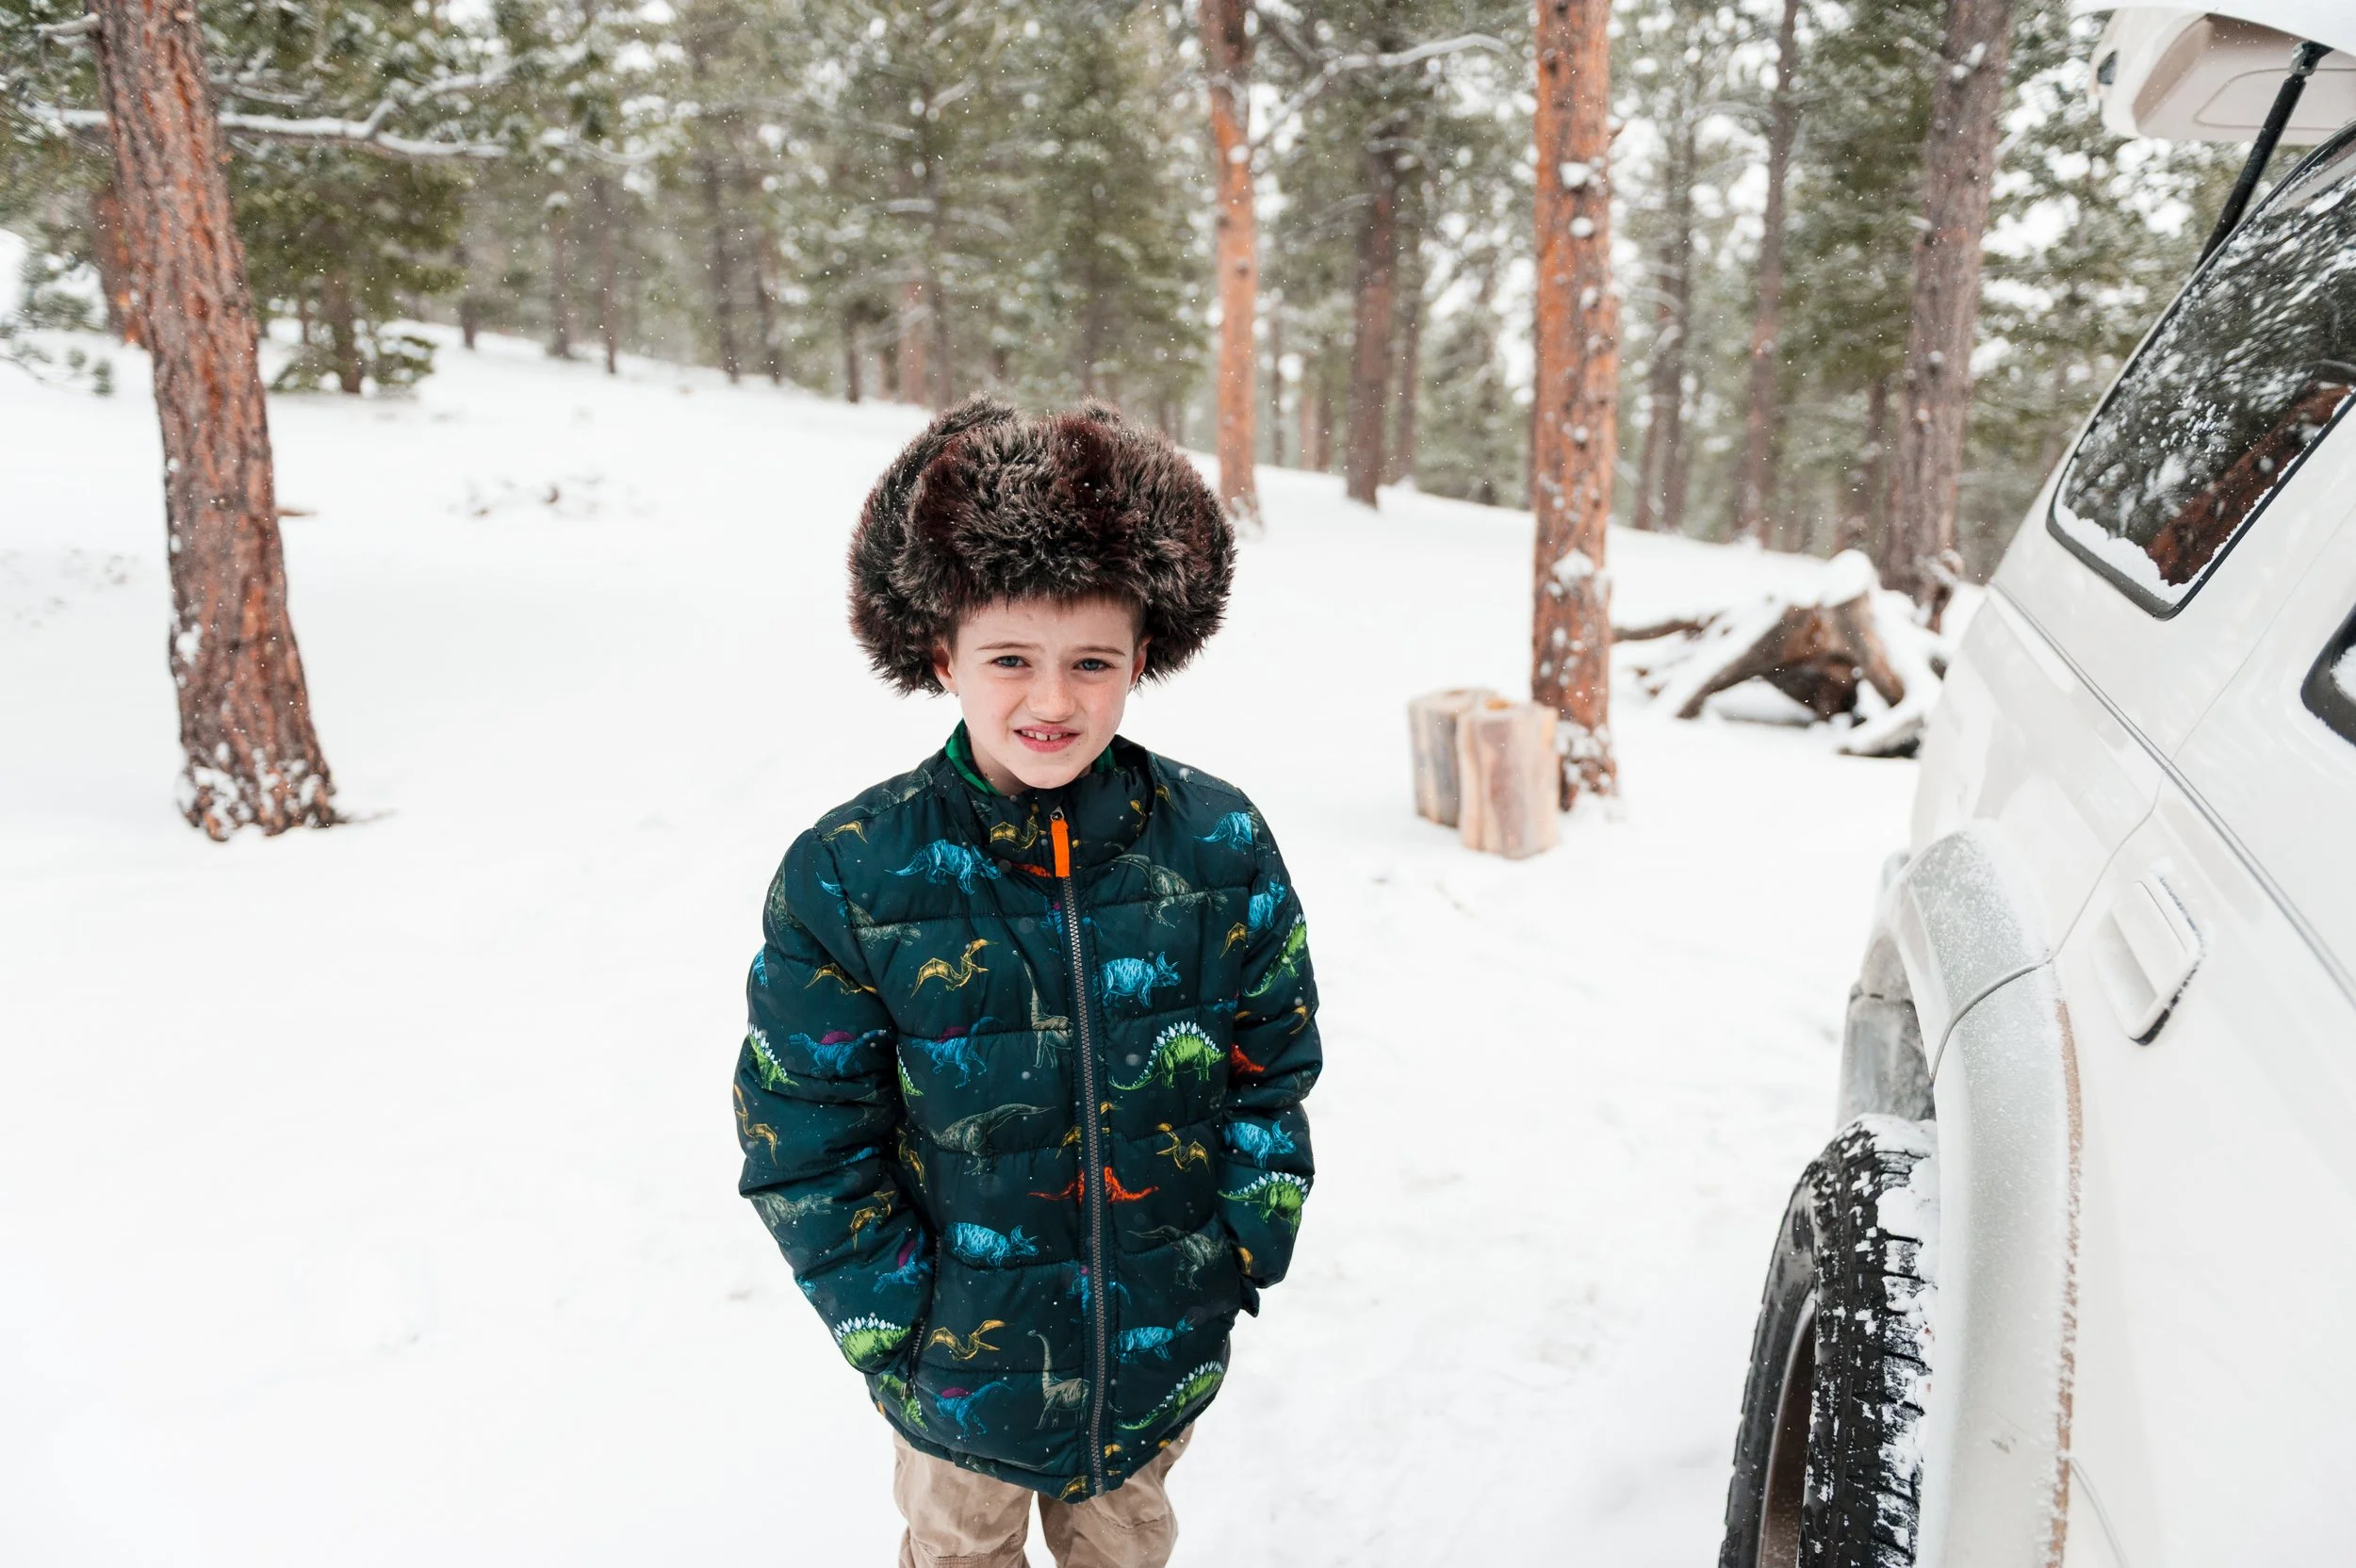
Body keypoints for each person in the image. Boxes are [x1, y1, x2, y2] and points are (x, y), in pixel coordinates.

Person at [732, 399, 1322, 1568]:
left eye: (1090, 661)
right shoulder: (852, 872)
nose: (1052, 701)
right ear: (941, 654)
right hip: (955, 1377)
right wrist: (898, 1325)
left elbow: (1271, 1063)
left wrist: (1239, 1243)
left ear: (1141, 659)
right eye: (1011, 658)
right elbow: (803, 1134)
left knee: (1126, 1545)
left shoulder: (1219, 843)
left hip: (1154, 1350)